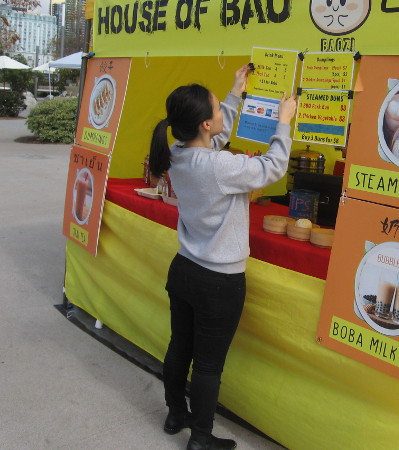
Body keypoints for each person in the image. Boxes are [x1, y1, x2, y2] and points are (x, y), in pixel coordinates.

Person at [148, 65, 297, 450]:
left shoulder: (179, 153)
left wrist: (234, 93)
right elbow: (273, 167)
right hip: (219, 281)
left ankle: (175, 414)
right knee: (208, 365)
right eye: (217, 109)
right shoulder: (219, 166)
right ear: (204, 124)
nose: (220, 114)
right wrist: (283, 123)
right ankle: (200, 438)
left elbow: (217, 134)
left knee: (179, 346)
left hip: (184, 270)